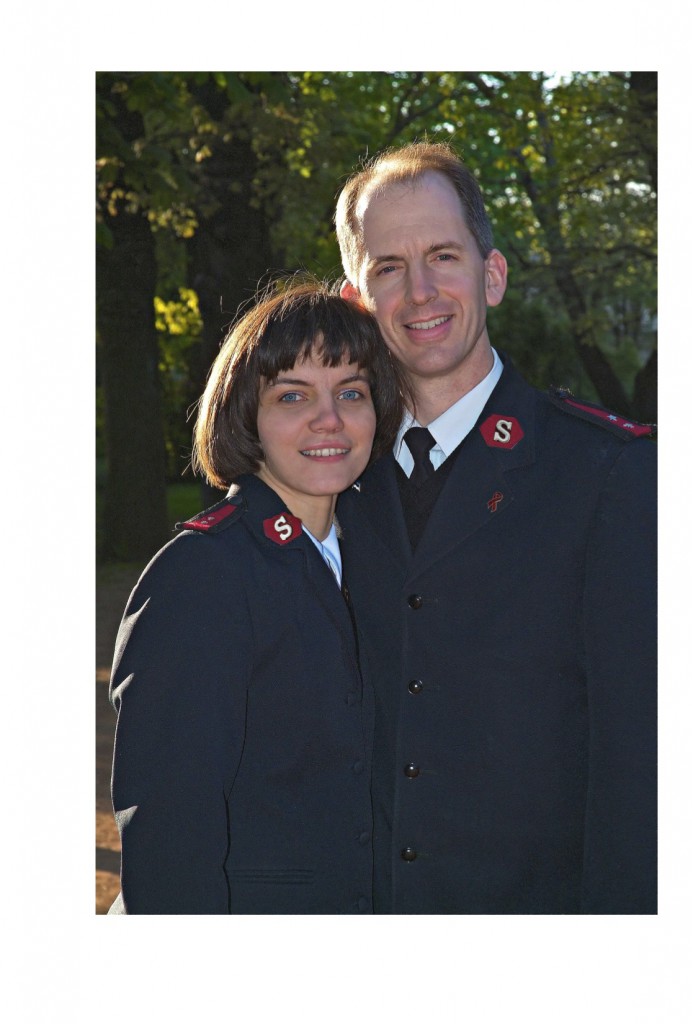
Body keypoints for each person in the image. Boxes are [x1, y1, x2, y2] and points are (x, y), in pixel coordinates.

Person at [334, 141, 657, 914]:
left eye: (443, 255)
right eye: (387, 267)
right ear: (355, 300)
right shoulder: (332, 477)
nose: (419, 292)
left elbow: (642, 761)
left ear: (492, 274)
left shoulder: (607, 472)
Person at [107, 279, 405, 914]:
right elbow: (169, 834)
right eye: (292, 395)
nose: (329, 418)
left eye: (350, 392)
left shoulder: (379, 558)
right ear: (247, 414)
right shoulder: (202, 574)